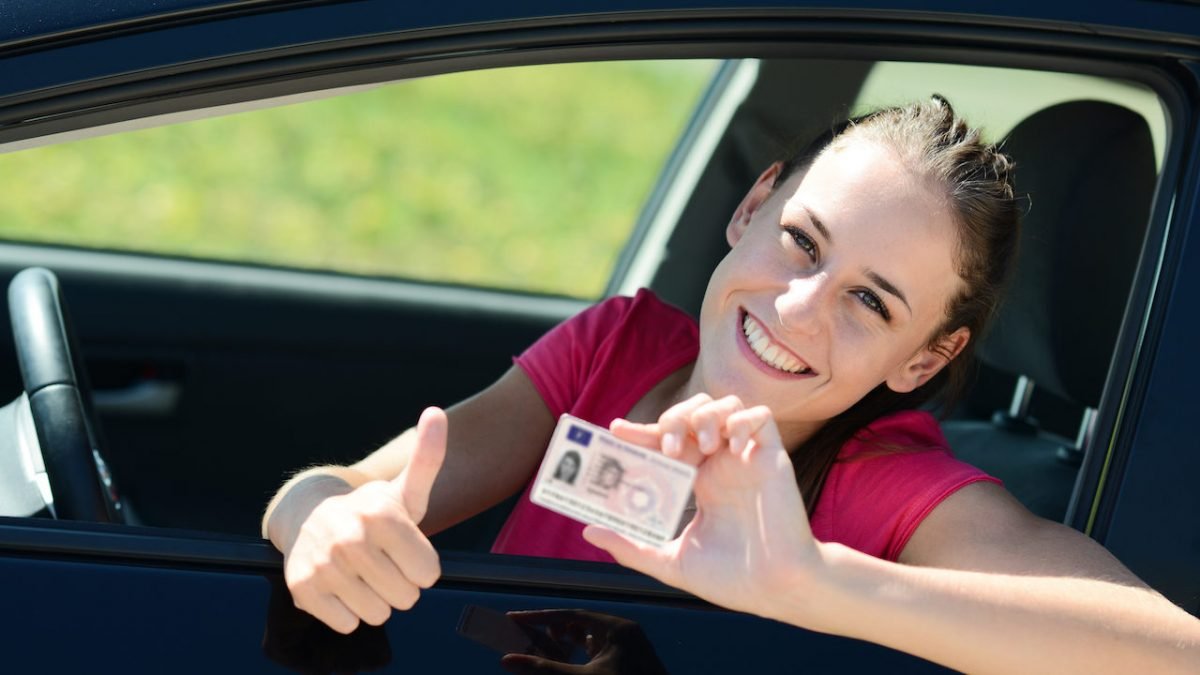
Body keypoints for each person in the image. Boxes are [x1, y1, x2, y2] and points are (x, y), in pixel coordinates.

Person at [262, 96, 1200, 672]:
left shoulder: (886, 484)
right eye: (801, 240)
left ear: (922, 361)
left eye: (870, 302)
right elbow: (342, 488)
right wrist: (316, 515)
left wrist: (813, 579)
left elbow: (1170, 654)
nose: (797, 309)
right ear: (752, 206)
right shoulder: (618, 348)